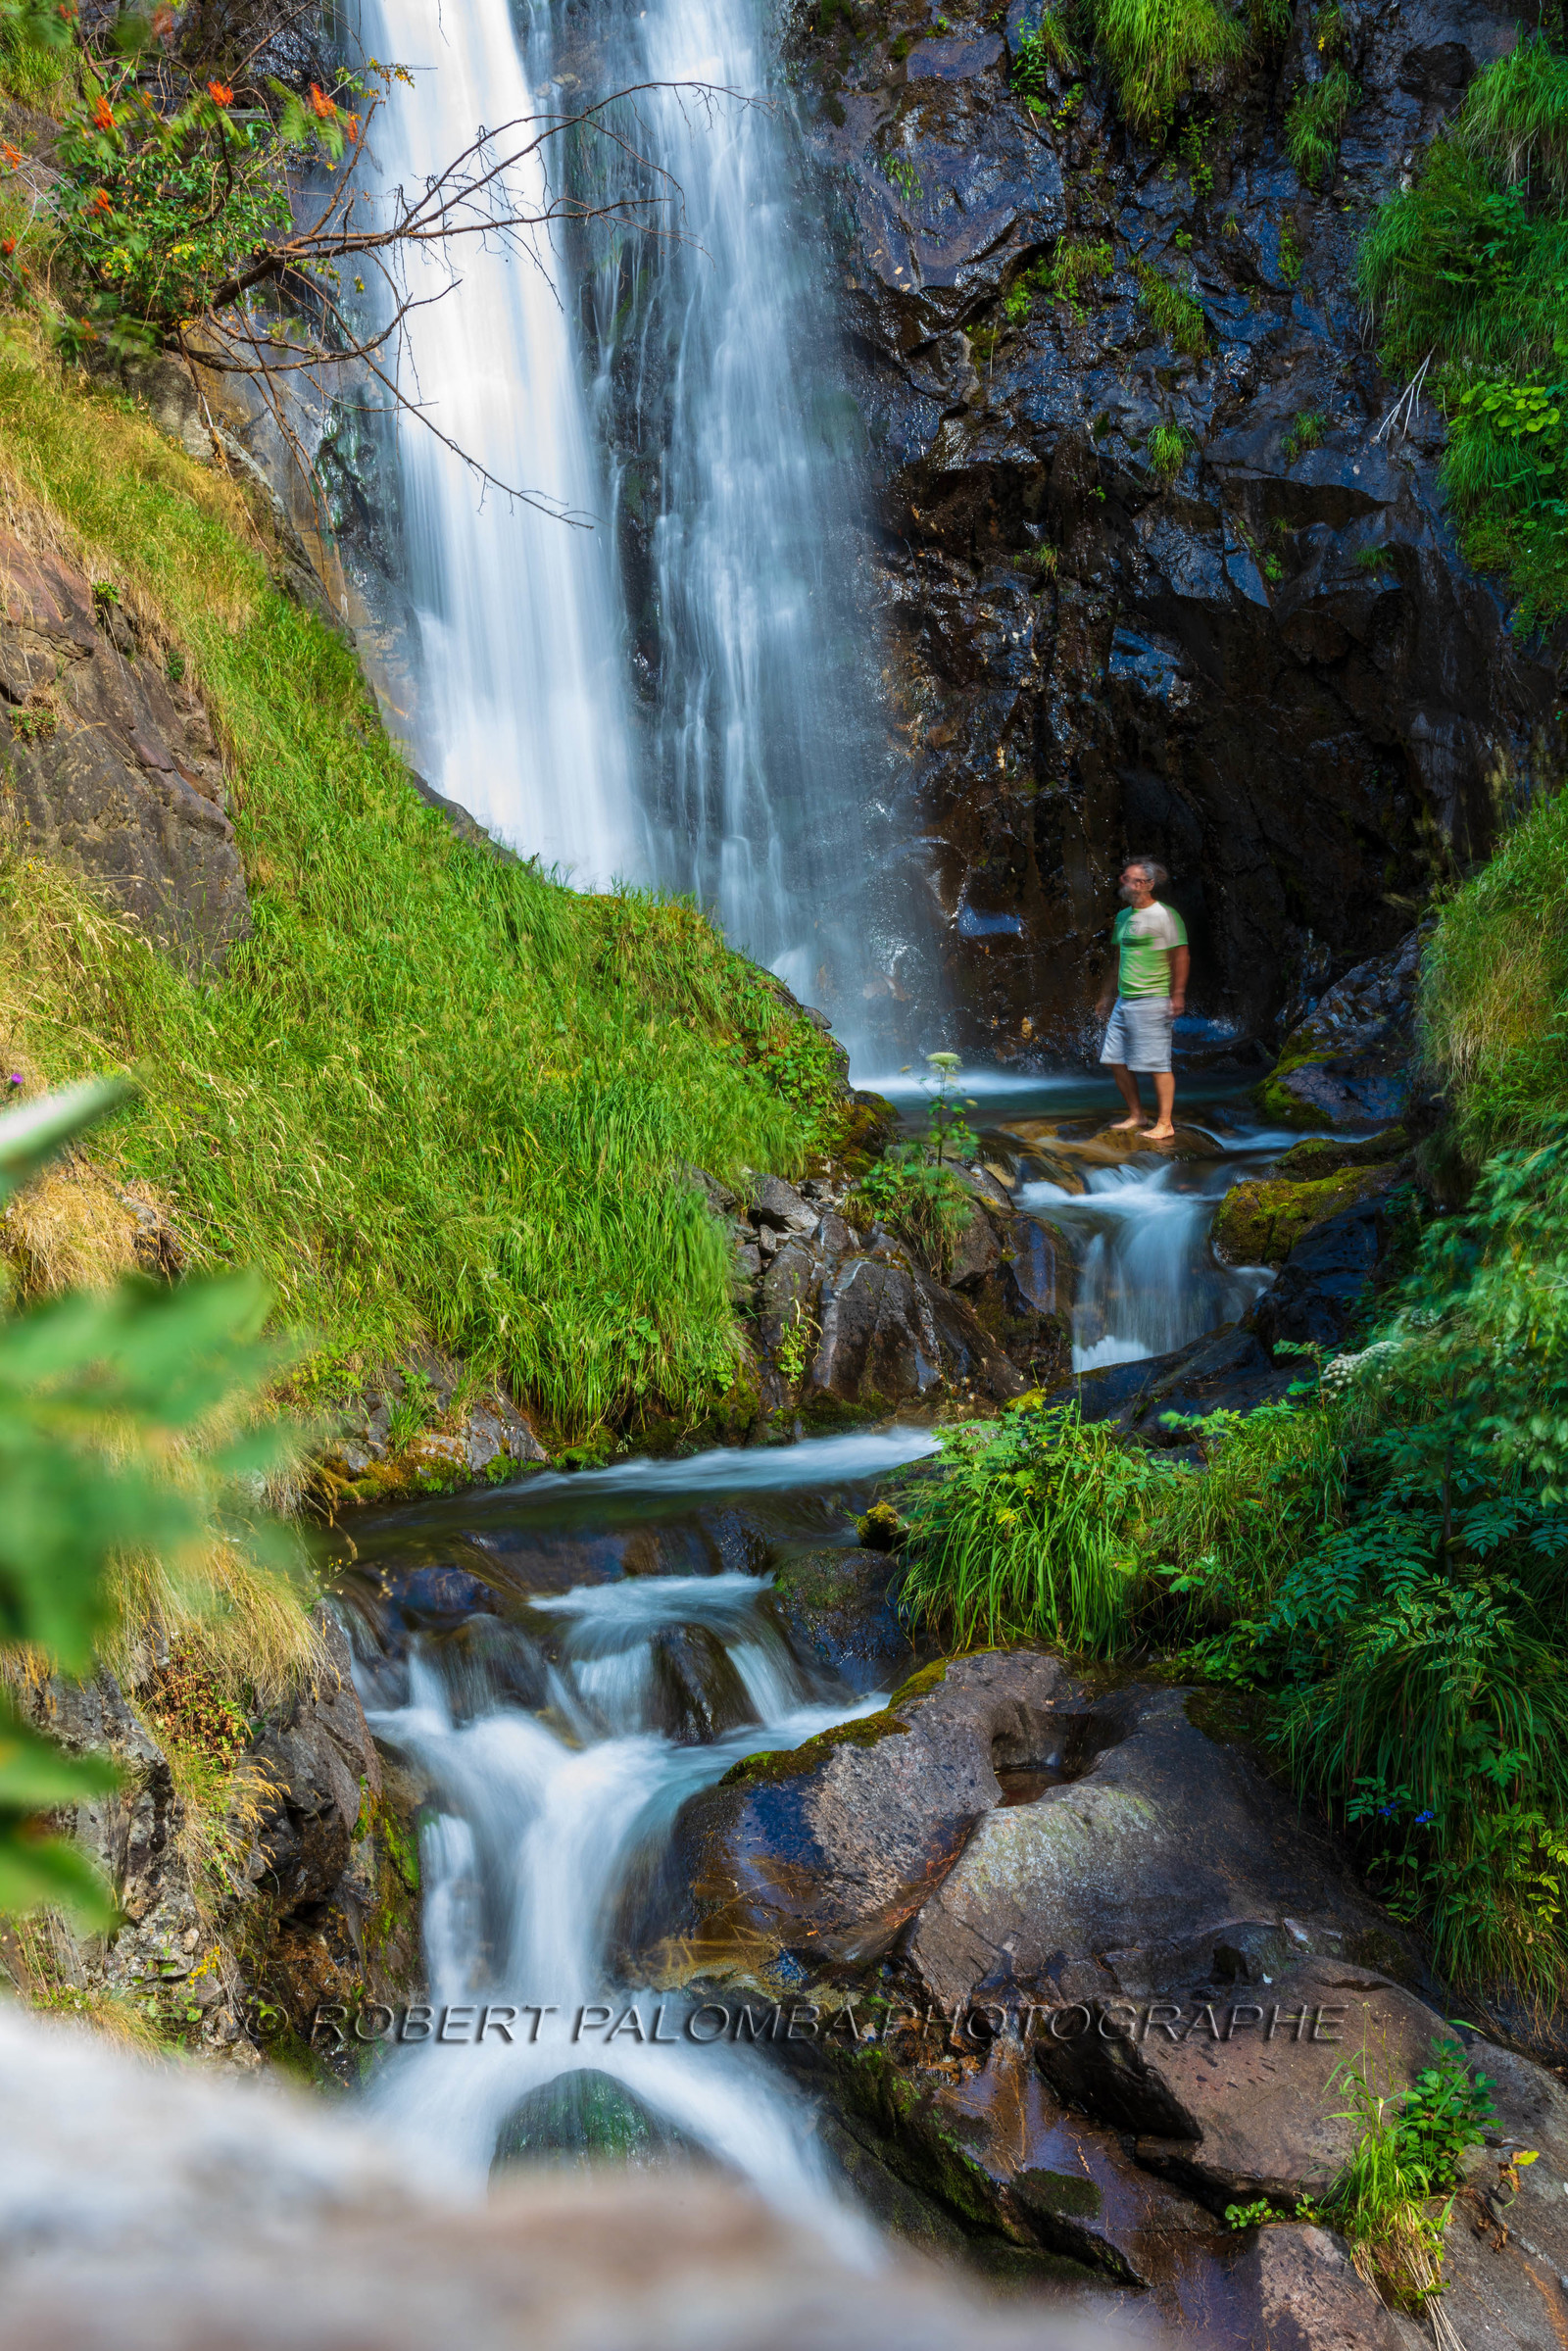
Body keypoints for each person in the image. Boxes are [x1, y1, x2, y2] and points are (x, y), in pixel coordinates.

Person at [1094, 856, 1189, 1142]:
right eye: (1125, 878)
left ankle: (1165, 1123)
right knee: (1114, 1060)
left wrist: (1178, 994)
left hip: (1153, 998)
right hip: (1125, 1001)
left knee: (1159, 1064)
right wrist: (1106, 995)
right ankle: (1137, 1115)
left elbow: (1181, 955)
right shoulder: (1123, 917)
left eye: (1133, 879)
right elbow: (1118, 959)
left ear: (1148, 884)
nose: (1127, 883)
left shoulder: (1165, 916)